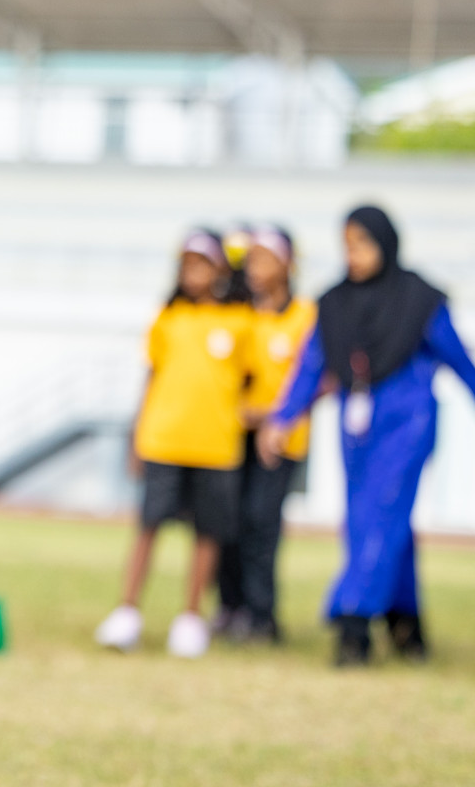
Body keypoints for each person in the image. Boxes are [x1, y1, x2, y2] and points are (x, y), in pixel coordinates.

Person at [262, 205, 475, 666]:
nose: (354, 255)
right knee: (372, 515)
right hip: (357, 426)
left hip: (408, 421)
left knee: (379, 512)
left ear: (386, 243)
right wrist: (282, 419)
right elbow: (311, 365)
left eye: (362, 244)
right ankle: (406, 623)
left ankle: (352, 620)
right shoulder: (335, 303)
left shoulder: (419, 300)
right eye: (348, 245)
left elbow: (460, 359)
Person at [96, 229, 252, 658]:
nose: (192, 272)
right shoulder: (168, 319)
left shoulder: (241, 322)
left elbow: (255, 380)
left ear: (221, 269)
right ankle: (127, 610)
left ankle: (190, 616)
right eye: (187, 264)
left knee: (207, 532)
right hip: (164, 440)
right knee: (149, 526)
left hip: (216, 446)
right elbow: (150, 379)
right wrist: (138, 436)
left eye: (202, 264)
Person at [215, 224, 315, 643]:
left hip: (281, 440)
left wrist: (275, 416)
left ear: (288, 264)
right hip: (235, 436)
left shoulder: (305, 316)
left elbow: (316, 377)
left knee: (262, 523)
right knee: (228, 522)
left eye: (264, 259)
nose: (255, 268)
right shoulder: (242, 315)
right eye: (251, 259)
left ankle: (262, 615)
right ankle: (230, 606)